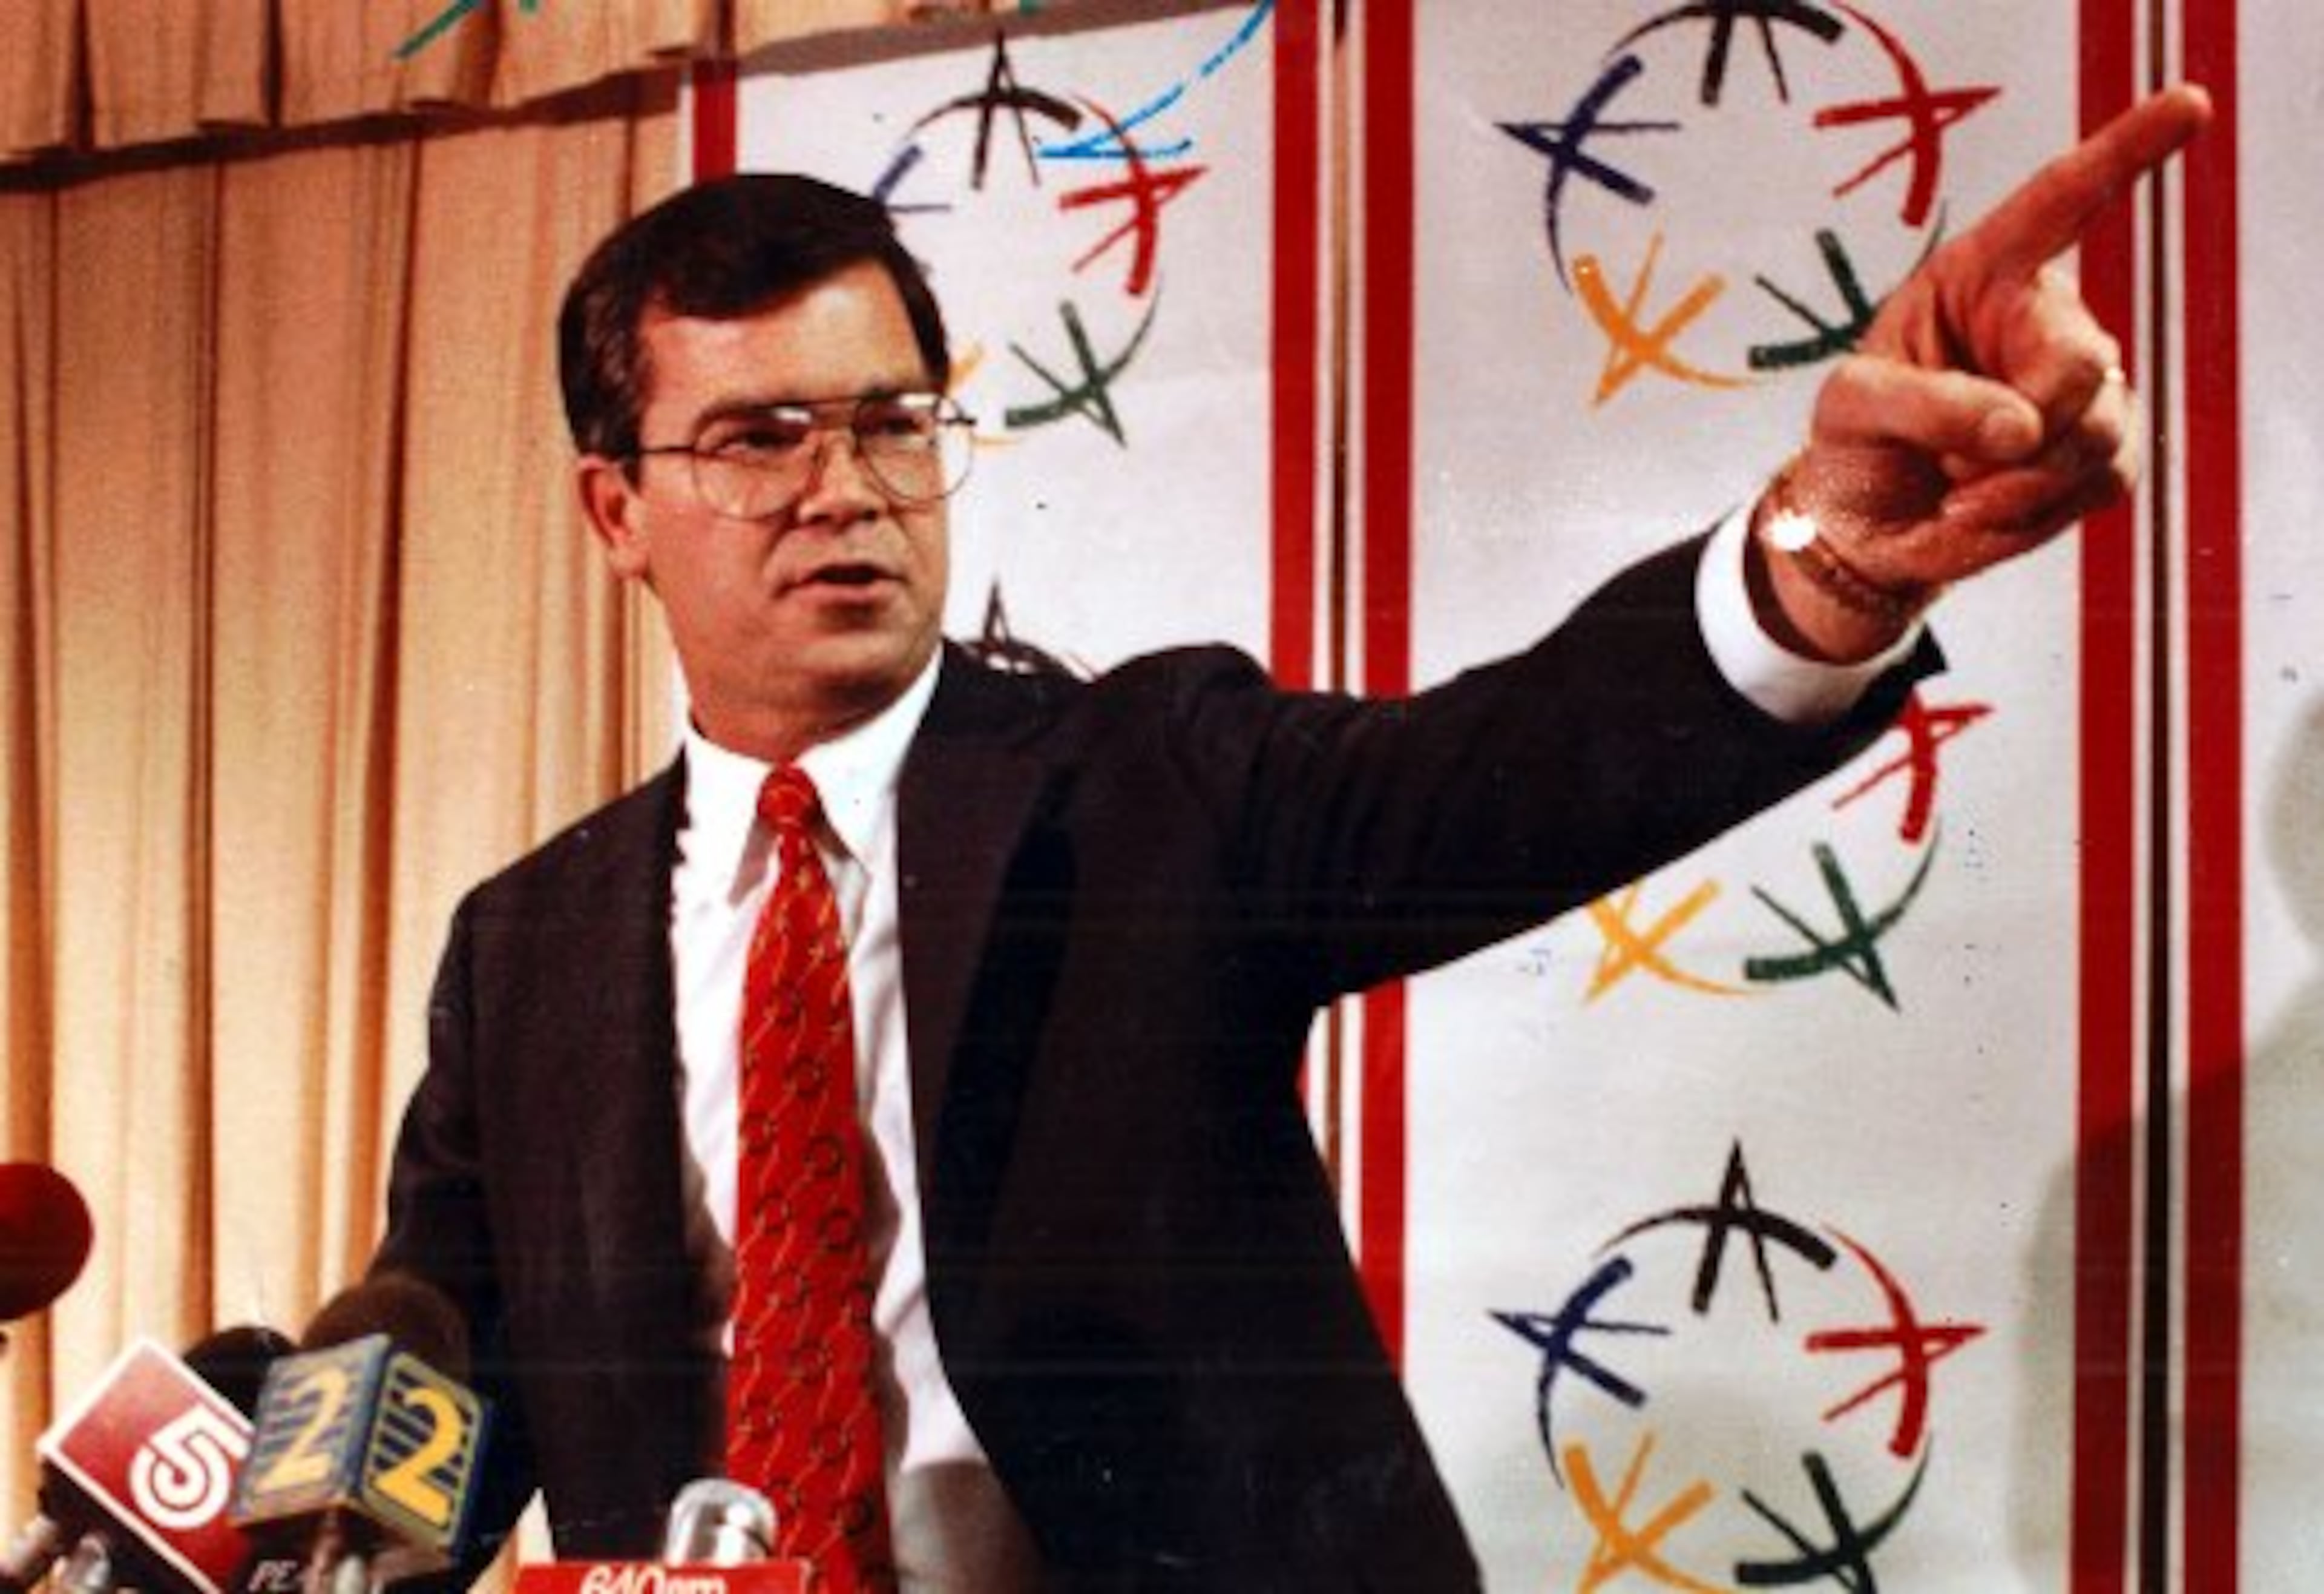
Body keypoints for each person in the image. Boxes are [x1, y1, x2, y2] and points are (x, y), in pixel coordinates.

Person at [369, 87, 2211, 1594]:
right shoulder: (525, 945)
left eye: (889, 423)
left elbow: (1508, 772)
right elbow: (446, 1393)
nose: (843, 489)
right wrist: (276, 1495)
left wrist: (1823, 553)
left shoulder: (1151, 776)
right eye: (759, 437)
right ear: (618, 507)